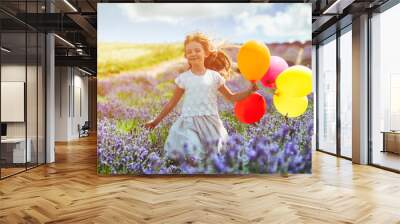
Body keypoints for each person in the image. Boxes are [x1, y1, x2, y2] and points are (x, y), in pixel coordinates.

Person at [145, 32, 258, 159]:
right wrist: (155, 122)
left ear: (206, 53)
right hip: (189, 123)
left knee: (211, 158)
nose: (193, 54)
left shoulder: (215, 76)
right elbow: (171, 103)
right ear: (186, 55)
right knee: (193, 151)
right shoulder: (183, 79)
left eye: (197, 50)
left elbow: (231, 97)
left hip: (211, 124)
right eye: (189, 52)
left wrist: (249, 91)